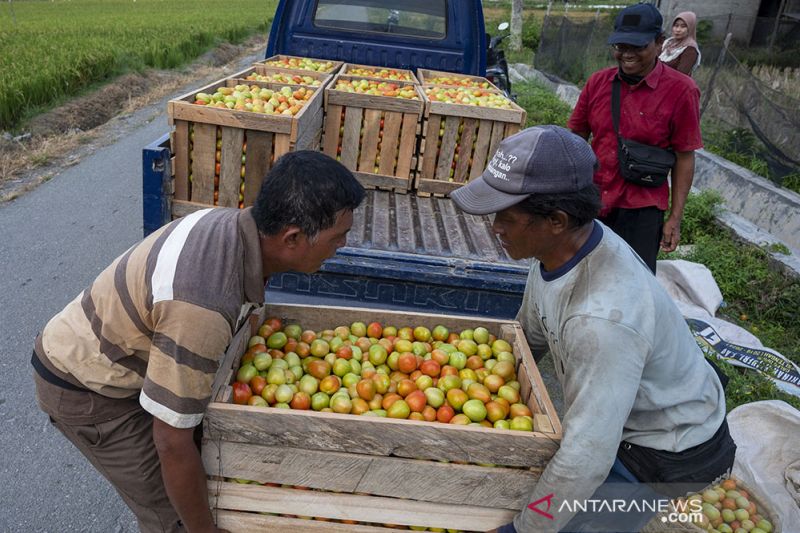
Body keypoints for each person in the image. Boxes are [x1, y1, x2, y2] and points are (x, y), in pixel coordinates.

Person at [31, 151, 365, 532]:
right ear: (292, 237)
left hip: (130, 349)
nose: (343, 245)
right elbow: (171, 443)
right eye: (339, 236)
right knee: (173, 515)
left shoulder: (237, 228)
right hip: (87, 386)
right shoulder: (203, 303)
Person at [451, 125, 735, 533]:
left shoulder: (600, 321)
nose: (495, 227)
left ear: (556, 220)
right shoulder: (560, 248)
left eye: (507, 217)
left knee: (569, 522)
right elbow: (529, 335)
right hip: (615, 424)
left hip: (662, 453)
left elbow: (586, 456)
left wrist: (525, 528)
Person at [568, 2, 702, 273]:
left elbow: (684, 156)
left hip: (641, 210)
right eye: (621, 47)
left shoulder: (681, 90)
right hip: (593, 202)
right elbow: (575, 139)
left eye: (637, 47)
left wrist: (675, 218)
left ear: (659, 42)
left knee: (632, 285)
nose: (627, 55)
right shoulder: (598, 83)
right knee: (583, 277)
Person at [659, 11, 701, 76]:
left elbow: (680, 76)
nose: (678, 30)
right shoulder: (668, 43)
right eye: (676, 25)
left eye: (683, 26)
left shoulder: (690, 49)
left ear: (690, 28)